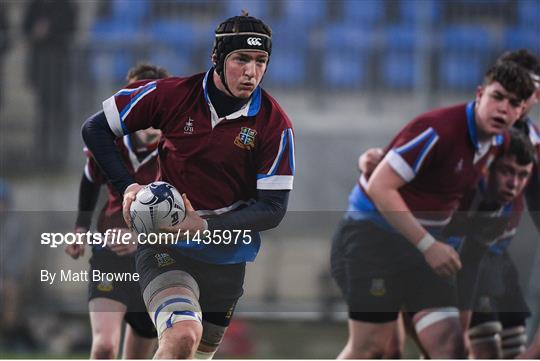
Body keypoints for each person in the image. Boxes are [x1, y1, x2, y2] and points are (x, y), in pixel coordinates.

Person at [82, 12, 294, 359]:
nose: (251, 72)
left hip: (227, 259)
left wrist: (205, 225)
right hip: (166, 249)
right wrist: (129, 187)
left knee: (195, 351)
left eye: (260, 61)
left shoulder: (274, 126)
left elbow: (273, 209)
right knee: (181, 336)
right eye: (241, 59)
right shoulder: (174, 95)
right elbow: (95, 128)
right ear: (217, 58)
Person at [331, 61, 534, 358]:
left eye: (514, 103)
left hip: (424, 250)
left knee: (451, 346)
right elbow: (380, 187)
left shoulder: (501, 146)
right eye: (497, 97)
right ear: (480, 94)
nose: (503, 108)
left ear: (522, 112)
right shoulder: (439, 131)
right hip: (372, 241)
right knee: (375, 348)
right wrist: (428, 245)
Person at [66, 63, 169, 359]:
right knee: (104, 347)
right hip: (110, 254)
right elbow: (90, 178)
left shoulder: (178, 151)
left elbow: (188, 214)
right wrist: (81, 227)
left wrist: (141, 240)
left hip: (157, 260)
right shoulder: (107, 142)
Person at [23, 0, 77, 169]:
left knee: (59, 113)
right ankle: (42, 156)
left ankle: (59, 156)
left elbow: (71, 29)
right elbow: (25, 27)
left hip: (60, 69)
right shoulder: (35, 4)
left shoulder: (66, 5)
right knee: (44, 114)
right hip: (41, 70)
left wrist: (50, 30)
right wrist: (35, 32)